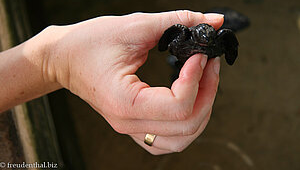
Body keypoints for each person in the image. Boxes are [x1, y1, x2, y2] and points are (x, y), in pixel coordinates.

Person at [0, 10, 223, 155]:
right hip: (185, 53)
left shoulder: (214, 38)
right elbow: (172, 35)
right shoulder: (183, 33)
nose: (205, 35)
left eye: (208, 36)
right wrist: (60, 63)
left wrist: (57, 61)